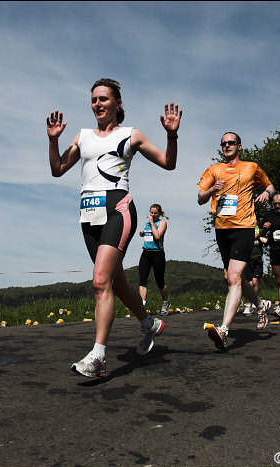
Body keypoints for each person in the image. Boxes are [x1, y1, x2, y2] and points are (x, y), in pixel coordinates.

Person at [47, 78, 182, 377]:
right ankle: (149, 324)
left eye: (104, 99)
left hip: (118, 209)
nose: (97, 104)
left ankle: (98, 357)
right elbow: (57, 170)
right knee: (115, 283)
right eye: (94, 99)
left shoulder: (130, 135)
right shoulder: (82, 137)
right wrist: (53, 140)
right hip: (89, 215)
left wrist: (171, 137)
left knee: (99, 282)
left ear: (117, 104)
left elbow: (167, 163)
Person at [197, 131, 274, 350]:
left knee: (233, 277)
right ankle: (260, 305)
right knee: (236, 279)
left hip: (245, 227)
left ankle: (224, 329)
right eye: (224, 143)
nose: (227, 146)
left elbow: (269, 186)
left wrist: (267, 194)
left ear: (240, 146)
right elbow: (201, 198)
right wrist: (213, 189)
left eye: (231, 143)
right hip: (222, 229)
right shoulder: (214, 170)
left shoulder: (251, 167)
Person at [138, 204, 170, 315]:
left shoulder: (162, 223)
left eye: (155, 213)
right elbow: (149, 235)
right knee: (142, 280)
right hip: (146, 253)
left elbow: (157, 236)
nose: (152, 215)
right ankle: (142, 305)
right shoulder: (147, 223)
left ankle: (165, 303)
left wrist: (152, 223)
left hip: (158, 254)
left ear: (159, 214)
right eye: (151, 212)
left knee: (159, 281)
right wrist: (142, 234)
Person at [240, 226, 267, 316]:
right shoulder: (244, 235)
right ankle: (248, 304)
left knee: (255, 282)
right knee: (249, 283)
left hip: (257, 260)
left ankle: (255, 301)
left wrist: (259, 236)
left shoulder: (259, 235)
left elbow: (264, 238)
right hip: (248, 261)